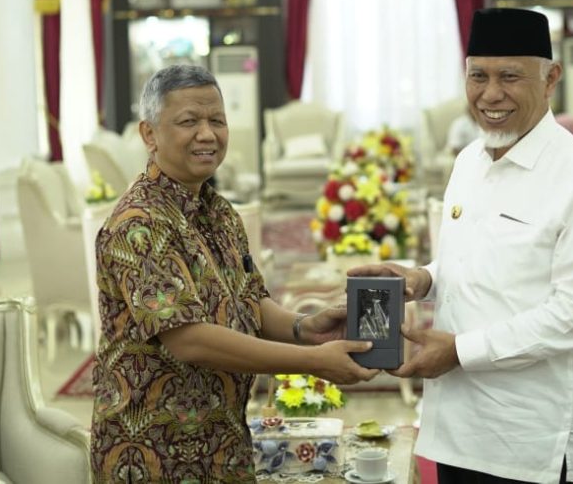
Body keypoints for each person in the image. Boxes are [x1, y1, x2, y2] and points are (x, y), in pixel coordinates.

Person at [351, 8, 573, 484]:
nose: (491, 94)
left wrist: (460, 351)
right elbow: (476, 261)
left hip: (535, 442)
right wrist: (423, 279)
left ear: (551, 79)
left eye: (510, 77)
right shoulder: (469, 161)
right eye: (478, 75)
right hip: (459, 428)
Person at [91, 65, 379, 483]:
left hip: (223, 448)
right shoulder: (140, 222)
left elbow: (250, 302)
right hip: (153, 455)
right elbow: (188, 338)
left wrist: (305, 328)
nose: (207, 134)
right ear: (149, 134)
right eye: (189, 121)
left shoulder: (220, 213)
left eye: (217, 120)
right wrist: (312, 361)